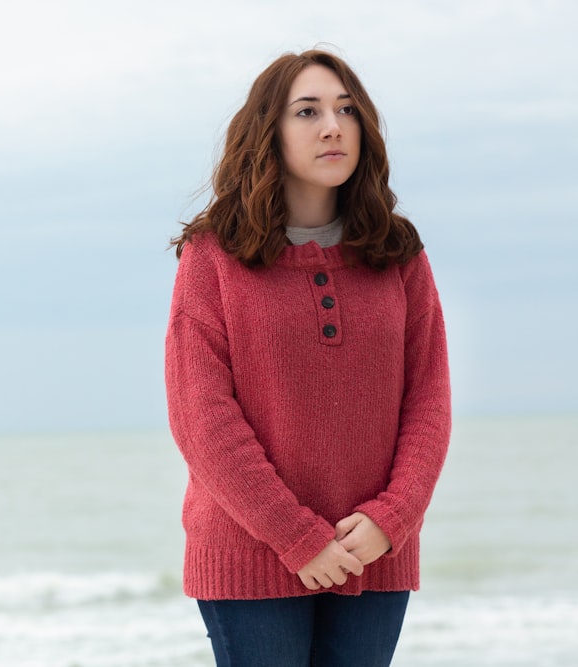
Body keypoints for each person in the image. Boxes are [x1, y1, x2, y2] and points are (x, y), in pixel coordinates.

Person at [164, 48, 452, 666]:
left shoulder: (398, 254)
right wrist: (296, 537)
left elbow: (428, 399)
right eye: (307, 111)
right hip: (250, 552)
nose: (333, 126)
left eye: (347, 110)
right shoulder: (212, 257)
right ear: (268, 131)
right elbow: (202, 417)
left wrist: (390, 520)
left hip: (373, 551)